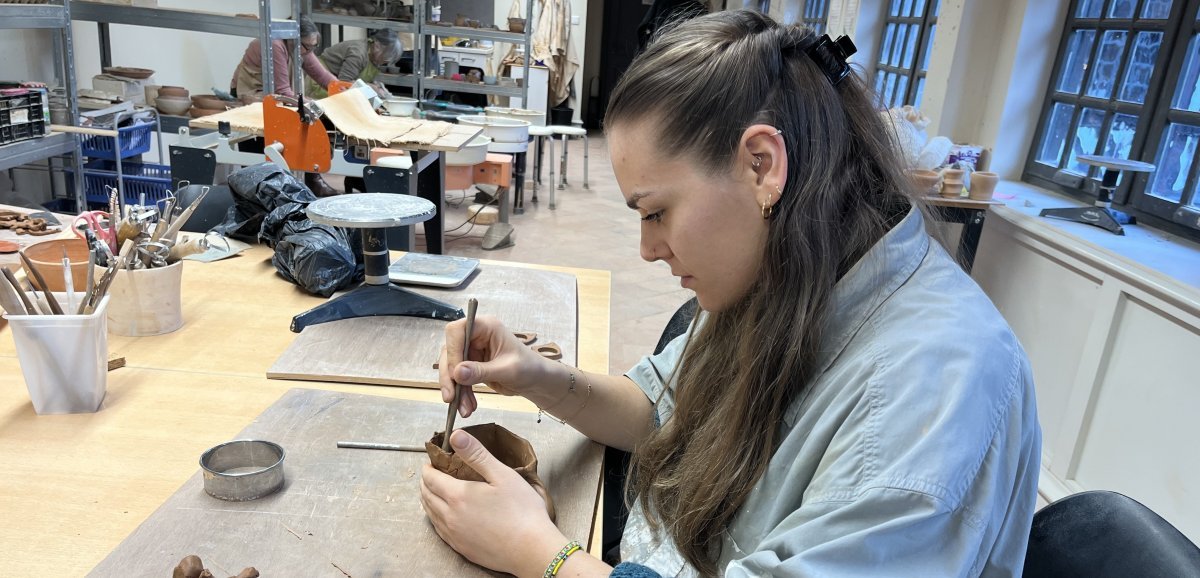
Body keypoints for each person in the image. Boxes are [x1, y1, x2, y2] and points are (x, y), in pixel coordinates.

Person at [420, 10, 1041, 578]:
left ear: (762, 165)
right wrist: (535, 376)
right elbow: (662, 413)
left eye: (657, 212)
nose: (646, 249)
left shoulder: (933, 387)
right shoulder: (791, 267)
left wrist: (541, 554)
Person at [230, 16, 340, 196]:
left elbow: (323, 77)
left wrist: (345, 91)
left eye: (313, 47)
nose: (309, 52)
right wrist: (315, 105)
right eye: (307, 47)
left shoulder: (299, 45)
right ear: (294, 39)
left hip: (274, 94)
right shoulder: (275, 45)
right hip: (253, 94)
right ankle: (259, 192)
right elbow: (283, 91)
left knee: (307, 112)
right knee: (260, 146)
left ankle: (311, 180)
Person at [306, 28, 405, 99]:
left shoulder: (374, 57)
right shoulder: (358, 53)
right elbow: (344, 82)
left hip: (337, 84)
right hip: (321, 81)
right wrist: (371, 88)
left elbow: (359, 80)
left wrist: (378, 87)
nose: (384, 63)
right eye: (385, 59)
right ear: (377, 46)